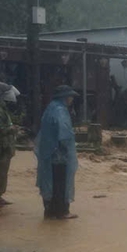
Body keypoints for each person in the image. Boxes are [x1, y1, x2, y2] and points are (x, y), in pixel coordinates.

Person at [35, 85, 80, 220]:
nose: (72, 99)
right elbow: (64, 133)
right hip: (59, 154)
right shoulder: (61, 110)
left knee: (50, 182)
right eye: (70, 96)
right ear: (65, 97)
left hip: (48, 153)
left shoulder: (50, 108)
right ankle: (62, 212)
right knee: (60, 183)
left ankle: (50, 211)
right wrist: (68, 148)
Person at [0, 82, 20, 207]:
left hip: (5, 146)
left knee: (3, 172)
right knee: (1, 172)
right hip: (2, 146)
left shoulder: (3, 110)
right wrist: (12, 129)